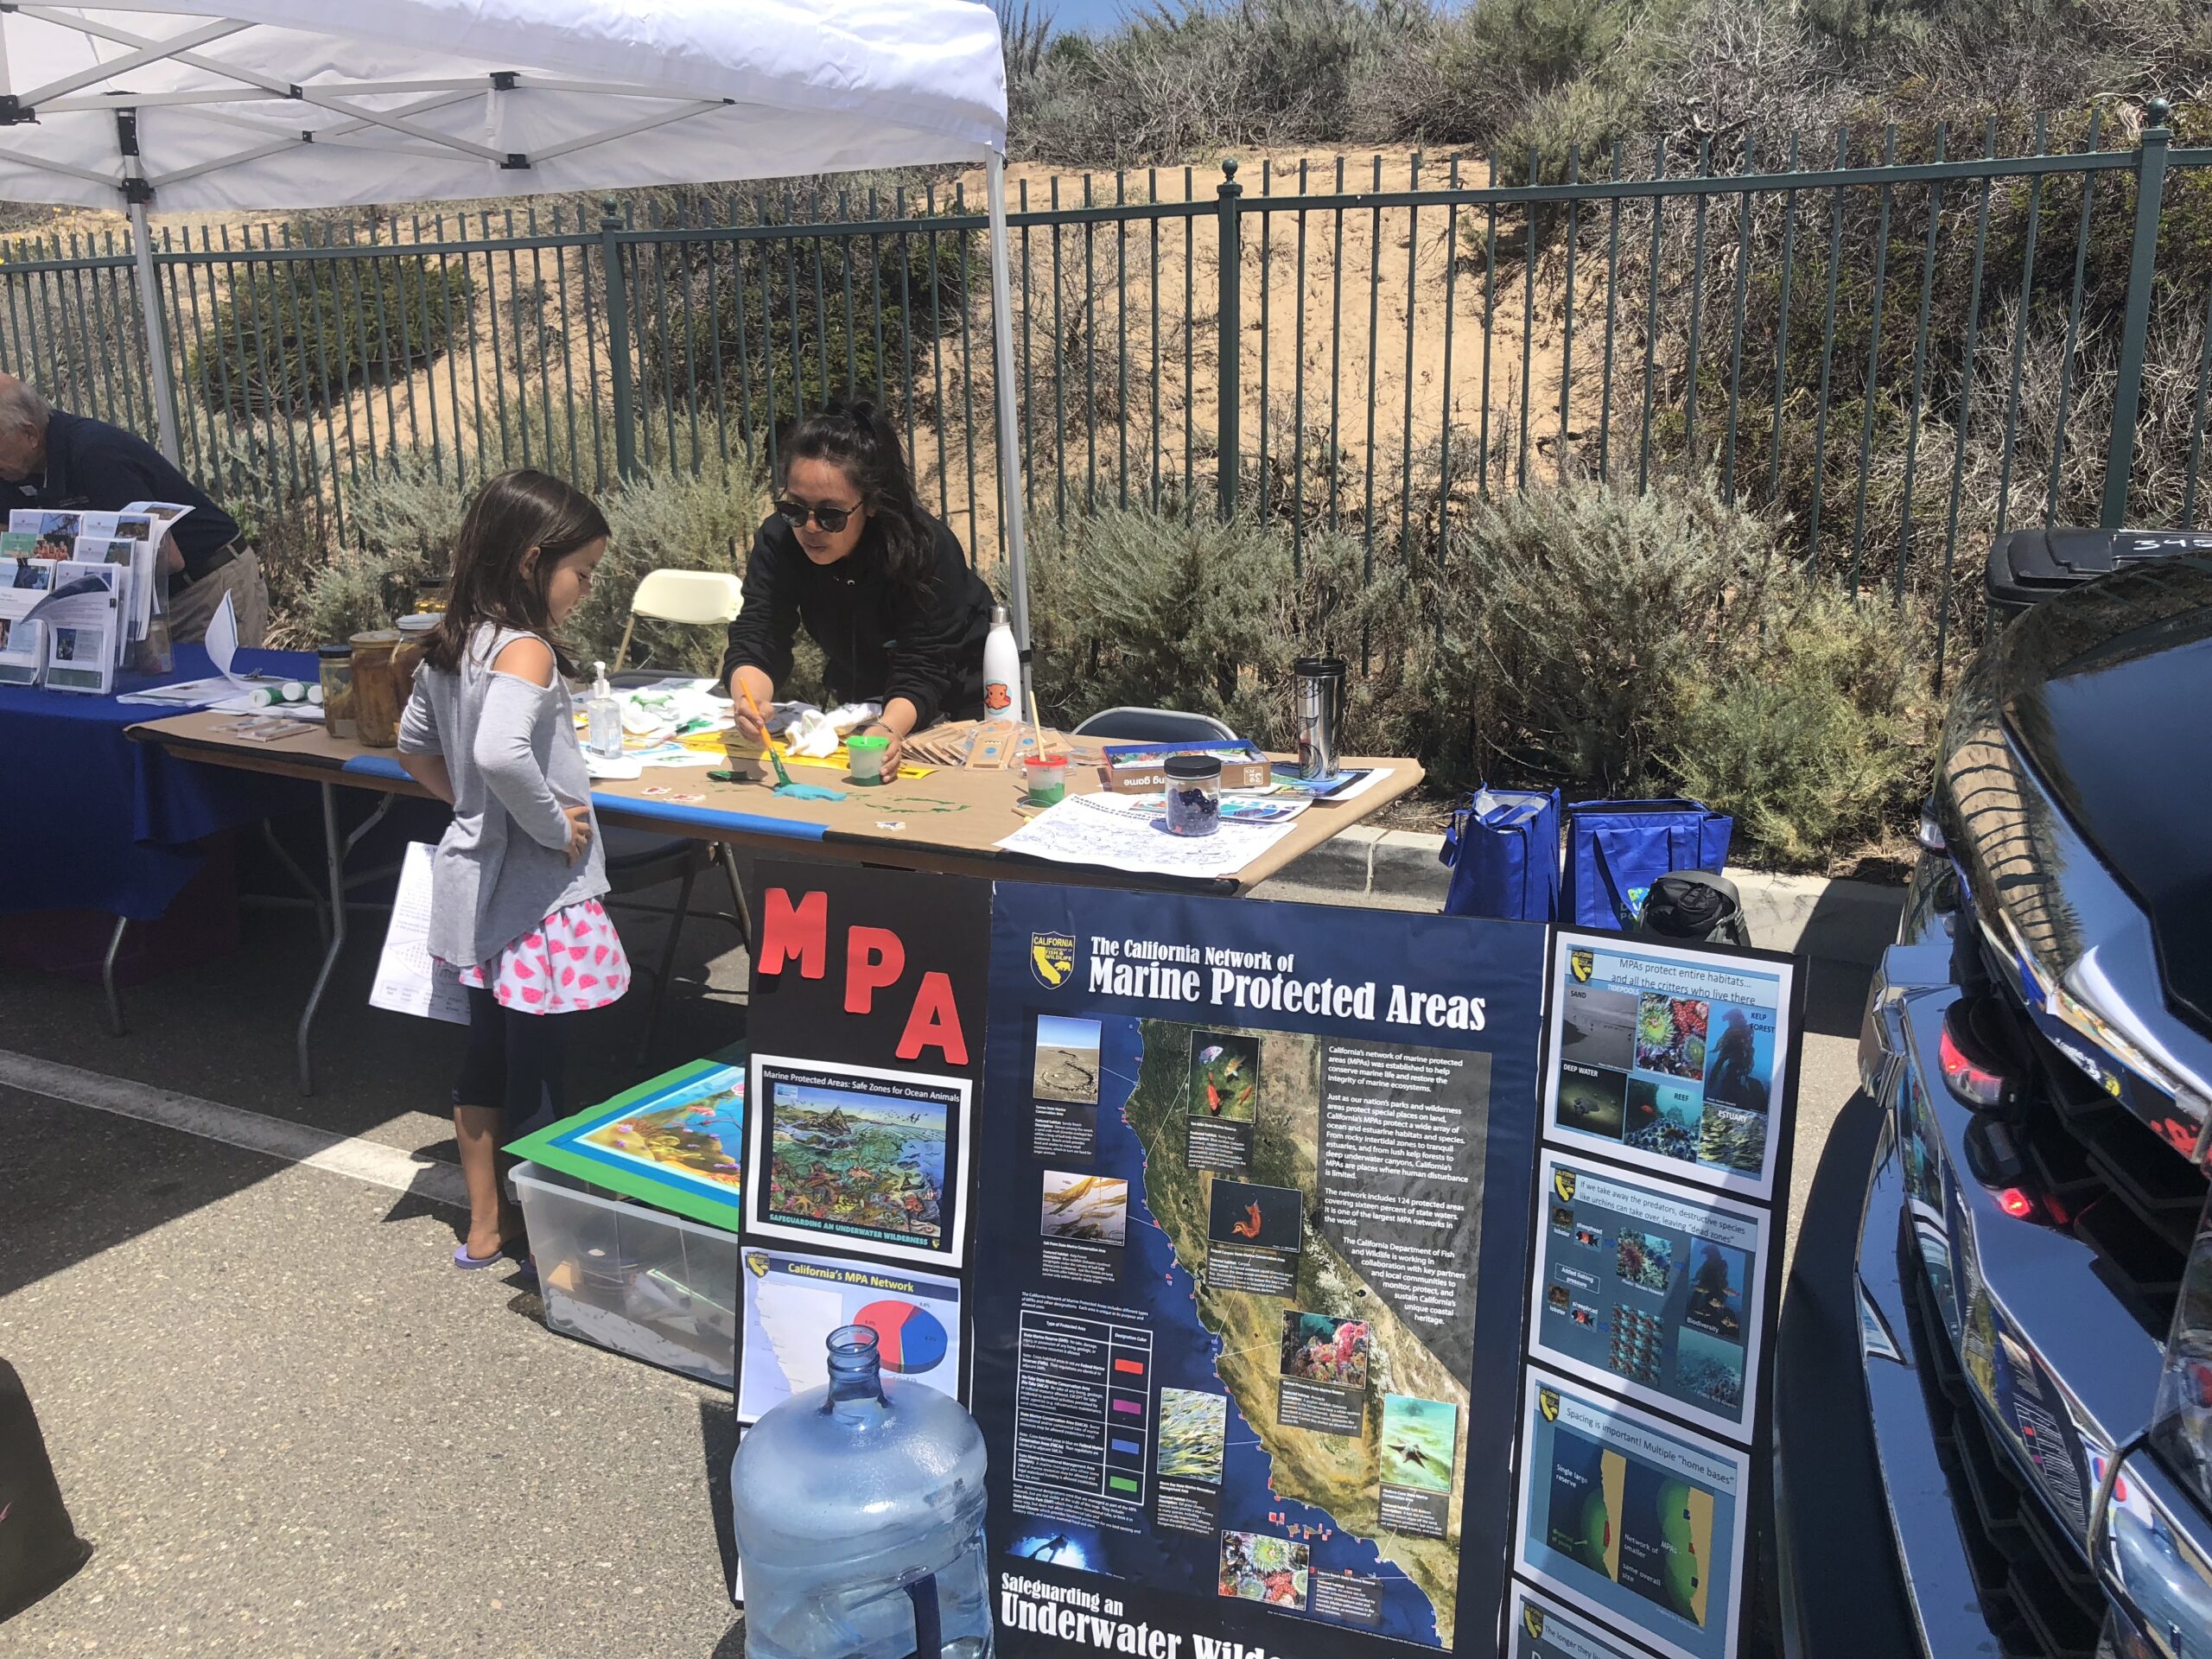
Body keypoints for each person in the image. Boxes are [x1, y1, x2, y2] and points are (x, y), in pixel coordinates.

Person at [396, 469, 630, 1270]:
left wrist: (468, 806)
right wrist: (549, 820)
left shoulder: (449, 641)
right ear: (535, 561)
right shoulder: (525, 649)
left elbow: (413, 746)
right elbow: (499, 751)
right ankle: (549, 1241)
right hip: (536, 897)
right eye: (583, 572)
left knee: (484, 1057)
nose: (586, 589)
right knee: (544, 1067)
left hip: (472, 887)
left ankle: (487, 1225)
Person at [723, 397, 995, 769]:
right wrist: (748, 702)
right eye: (794, 509)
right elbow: (760, 633)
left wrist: (889, 728)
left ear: (871, 503)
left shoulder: (925, 547)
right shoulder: (779, 540)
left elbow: (926, 664)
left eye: (831, 515)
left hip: (960, 701)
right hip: (863, 698)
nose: (810, 528)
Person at [0, 375, 260, 646]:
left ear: (29, 434)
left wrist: (62, 555)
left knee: (216, 686)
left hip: (203, 588)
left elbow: (164, 555)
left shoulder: (94, 454)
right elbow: (8, 548)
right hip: (138, 605)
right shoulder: (11, 469)